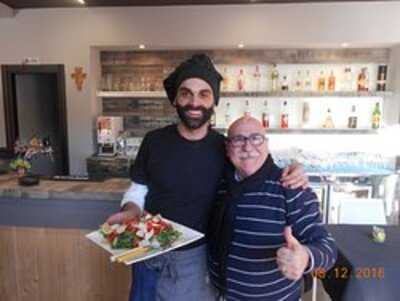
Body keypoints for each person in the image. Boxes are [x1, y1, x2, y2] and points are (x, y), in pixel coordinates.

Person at [106, 54, 309, 301]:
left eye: (204, 94)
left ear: (214, 102)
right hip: (147, 252)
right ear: (175, 99)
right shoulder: (154, 141)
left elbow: (258, 166)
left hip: (196, 261)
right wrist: (130, 209)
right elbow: (138, 188)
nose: (194, 102)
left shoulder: (225, 148)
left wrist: (295, 169)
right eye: (186, 93)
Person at [208, 116, 337, 301]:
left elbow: (327, 247)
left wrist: (305, 258)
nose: (247, 146)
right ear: (228, 148)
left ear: (267, 144)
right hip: (219, 295)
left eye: (256, 138)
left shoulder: (290, 187)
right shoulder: (220, 184)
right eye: (238, 139)